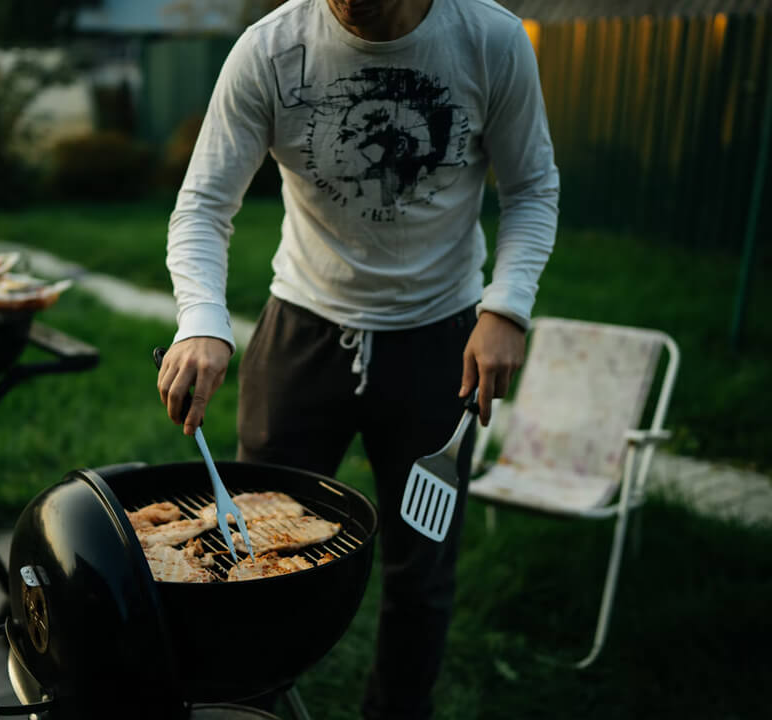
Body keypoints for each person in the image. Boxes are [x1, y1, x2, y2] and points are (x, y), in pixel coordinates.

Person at [156, 0, 559, 717]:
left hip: (442, 340)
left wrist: (506, 308)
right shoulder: (270, 50)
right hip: (302, 334)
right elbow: (203, 204)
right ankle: (254, 707)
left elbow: (531, 187)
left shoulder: (490, 40)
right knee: (247, 555)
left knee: (421, 570)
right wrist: (202, 322)